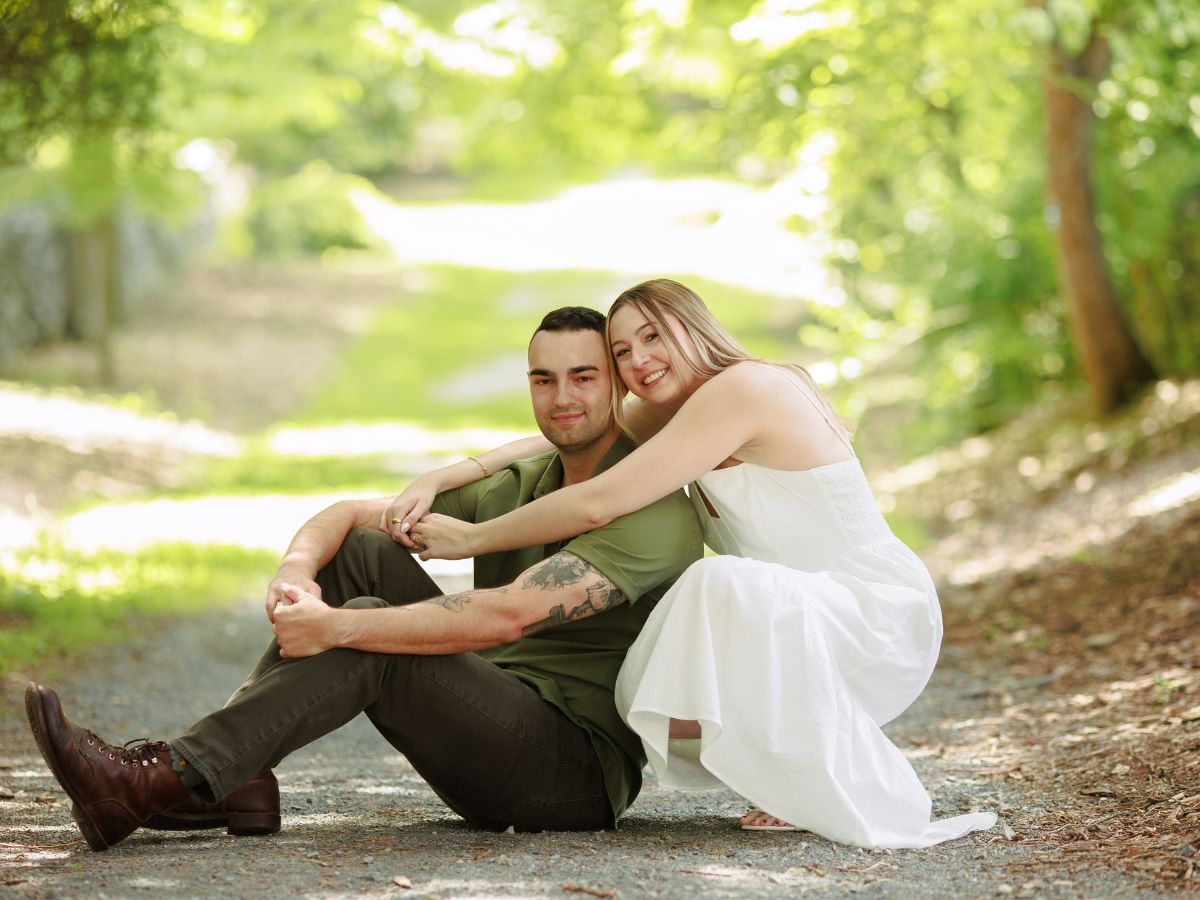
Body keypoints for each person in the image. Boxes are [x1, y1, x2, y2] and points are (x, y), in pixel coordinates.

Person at [24, 306, 703, 851]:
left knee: (379, 631)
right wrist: (297, 572)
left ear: (618, 387)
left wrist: (338, 626)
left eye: (585, 377)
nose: (562, 399)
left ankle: (161, 781)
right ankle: (238, 777)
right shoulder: (522, 479)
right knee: (361, 552)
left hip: (568, 772)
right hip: (488, 713)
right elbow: (350, 515)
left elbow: (505, 616)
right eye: (543, 380)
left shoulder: (651, 509)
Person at [394, 279, 998, 849]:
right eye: (623, 350)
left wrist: (475, 539)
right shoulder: (678, 410)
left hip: (871, 609)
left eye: (653, 335)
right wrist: (449, 475)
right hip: (791, 611)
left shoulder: (745, 390)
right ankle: (768, 767)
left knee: (713, 583)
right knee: (650, 678)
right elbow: (558, 437)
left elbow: (599, 501)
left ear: (692, 326)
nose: (638, 360)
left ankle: (810, 781)